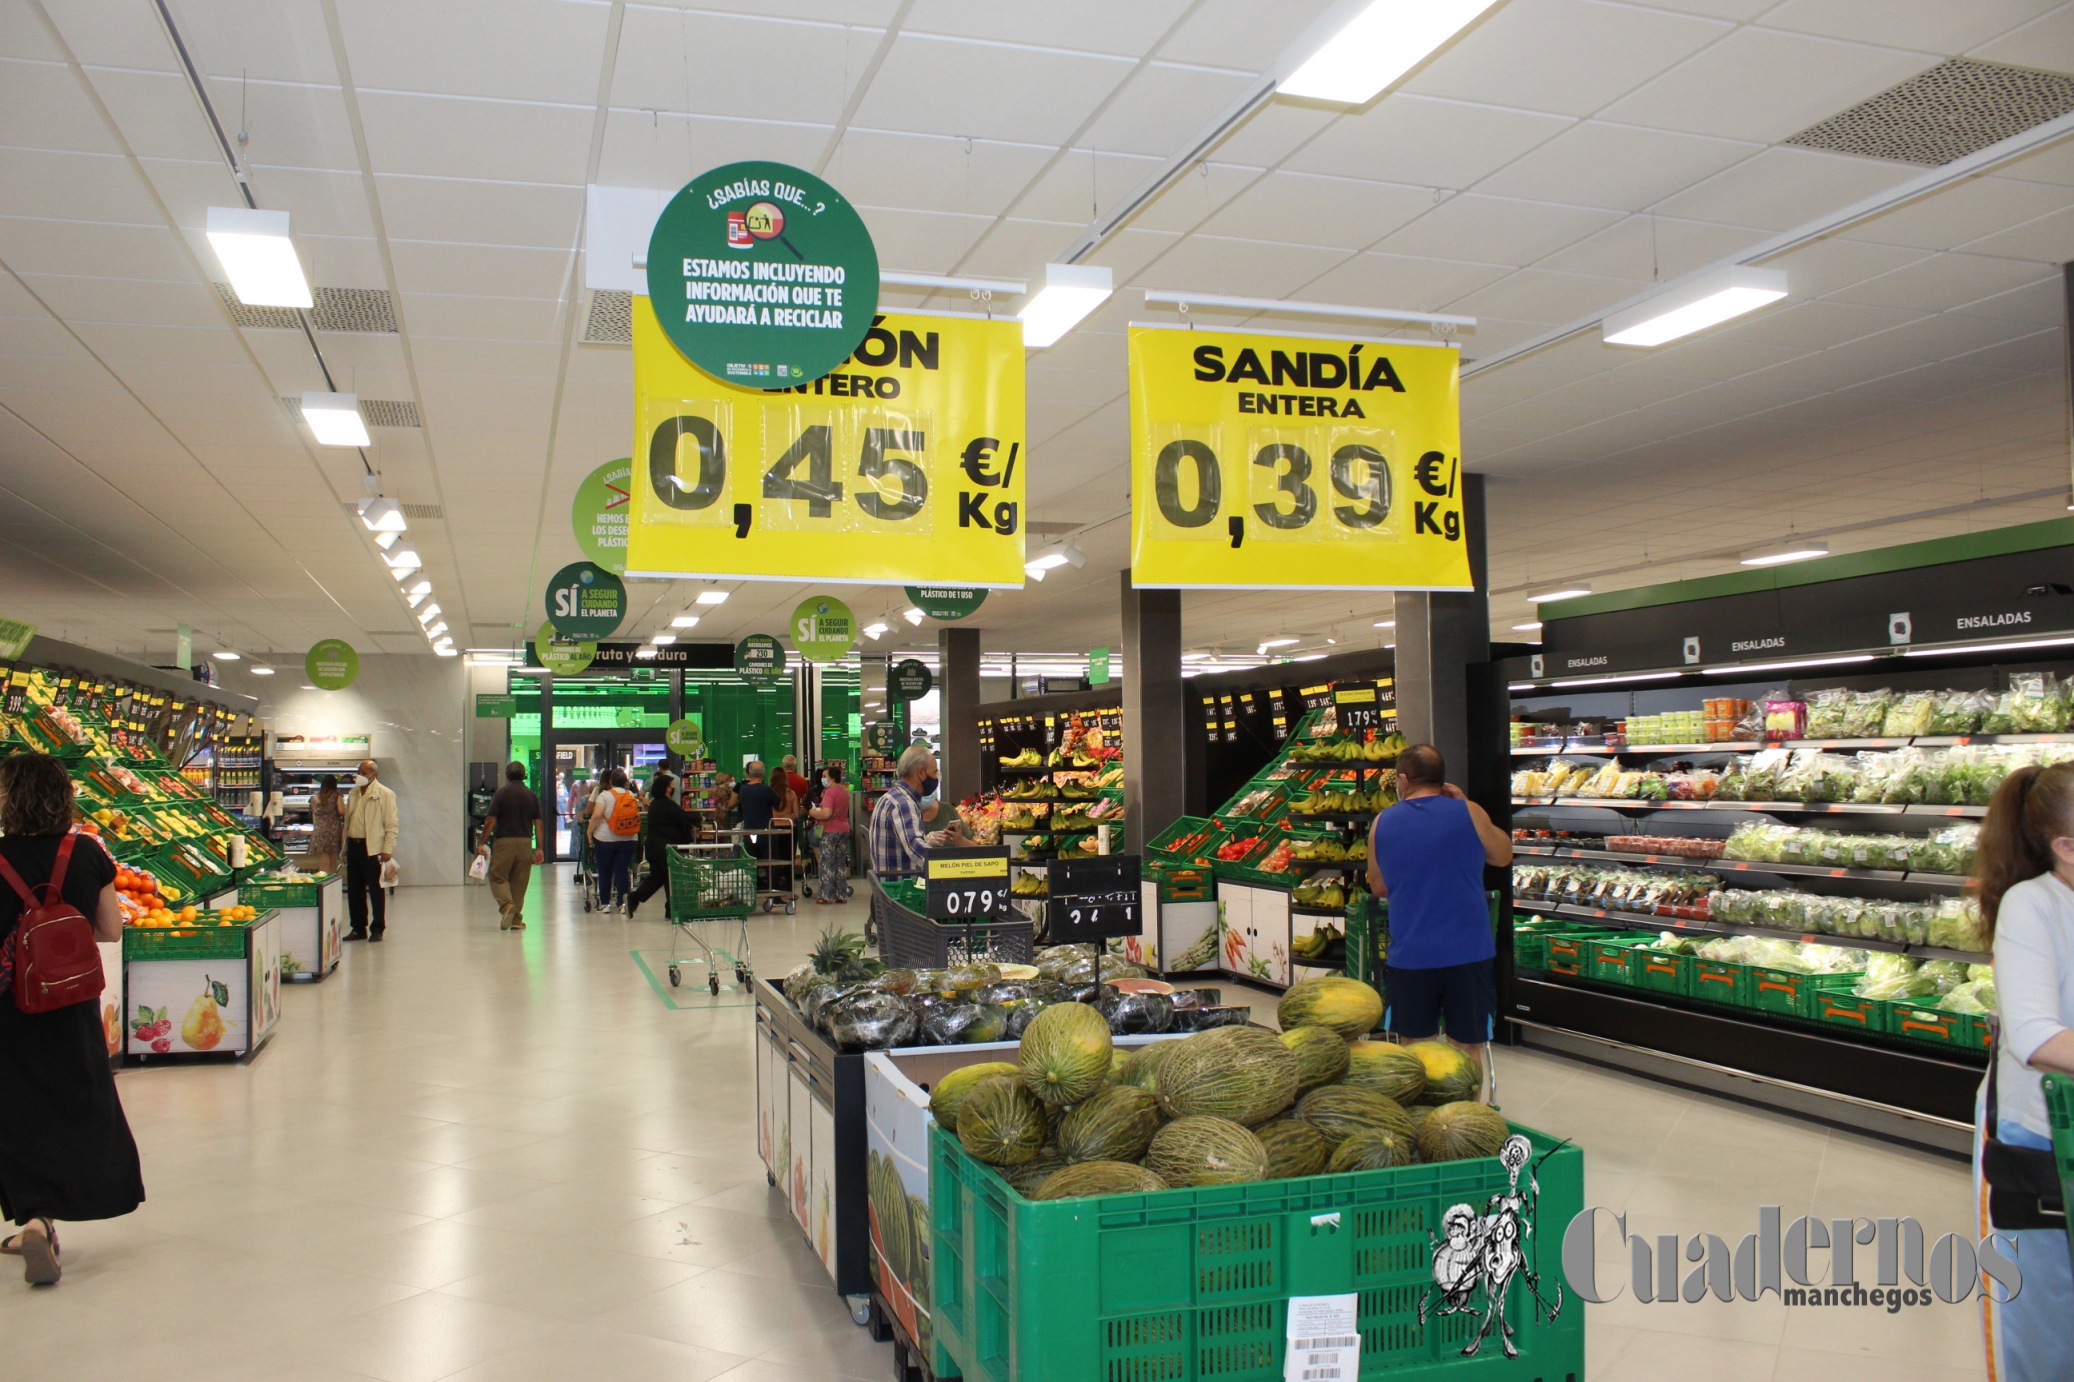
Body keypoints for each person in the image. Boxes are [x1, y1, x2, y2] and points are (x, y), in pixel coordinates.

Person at [0, 752, 143, 1285]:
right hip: (71, 1005)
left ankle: (34, 1218)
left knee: (17, 1110)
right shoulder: (86, 852)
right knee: (77, 1103)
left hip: (9, 1011)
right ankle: (52, 1217)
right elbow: (111, 929)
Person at [1970, 762, 2074, 1382]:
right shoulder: (2033, 906)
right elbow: (2036, 1037)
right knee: (2041, 1333)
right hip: (2035, 1144)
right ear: (2066, 848)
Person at [1365, 744, 1510, 1081]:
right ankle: (1467, 1120)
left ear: (1403, 780)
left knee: (1416, 1044)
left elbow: (1379, 887)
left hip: (1411, 955)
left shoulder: (1382, 822)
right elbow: (1502, 856)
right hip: (1469, 952)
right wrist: (1463, 805)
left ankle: (1423, 1118)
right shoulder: (1470, 812)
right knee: (1468, 1045)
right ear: (1444, 780)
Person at [869, 743, 967, 877]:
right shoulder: (903, 803)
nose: (936, 778)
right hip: (902, 892)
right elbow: (917, 850)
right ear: (921, 773)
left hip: (888, 889)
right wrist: (956, 868)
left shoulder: (891, 797)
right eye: (934, 772)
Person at [475, 762, 543, 932]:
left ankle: (506, 907)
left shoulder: (501, 794)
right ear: (524, 775)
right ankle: (516, 919)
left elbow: (491, 820)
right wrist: (539, 848)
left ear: (507, 774)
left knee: (497, 876)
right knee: (519, 882)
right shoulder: (531, 795)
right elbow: (538, 823)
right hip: (525, 843)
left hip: (505, 842)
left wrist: (482, 842)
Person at [627, 771, 697, 921]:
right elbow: (683, 817)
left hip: (654, 846)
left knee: (658, 877)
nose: (673, 787)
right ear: (666, 787)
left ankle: (637, 899)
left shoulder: (655, 804)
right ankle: (669, 909)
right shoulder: (667, 804)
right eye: (671, 785)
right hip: (664, 847)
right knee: (669, 877)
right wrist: (699, 818)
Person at [343, 758, 398, 942]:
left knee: (375, 889)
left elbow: (391, 824)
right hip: (354, 845)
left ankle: (377, 928)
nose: (360, 776)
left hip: (373, 848)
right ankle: (358, 928)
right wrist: (344, 846)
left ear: (374, 774)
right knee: (354, 889)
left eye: (364, 773)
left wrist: (387, 848)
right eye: (359, 772)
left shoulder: (385, 794)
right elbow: (348, 821)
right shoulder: (354, 793)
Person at [587, 768, 640, 914]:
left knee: (605, 871)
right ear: (625, 782)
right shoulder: (630, 795)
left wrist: (589, 831)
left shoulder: (604, 795)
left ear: (610, 781)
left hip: (605, 839)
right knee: (622, 870)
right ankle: (623, 904)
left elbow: (597, 815)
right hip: (629, 838)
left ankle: (605, 904)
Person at [809, 762, 853, 904]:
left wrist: (813, 812)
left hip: (830, 831)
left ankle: (826, 896)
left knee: (826, 863)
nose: (823, 778)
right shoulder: (844, 791)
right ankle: (841, 894)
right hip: (844, 829)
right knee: (840, 863)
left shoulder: (829, 792)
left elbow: (827, 813)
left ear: (832, 778)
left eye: (824, 776)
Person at [303, 774, 344, 875]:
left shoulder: (314, 798)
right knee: (333, 860)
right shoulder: (336, 795)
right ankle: (332, 883)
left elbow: (313, 815)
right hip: (332, 831)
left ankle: (323, 883)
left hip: (319, 830)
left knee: (323, 861)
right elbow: (342, 811)